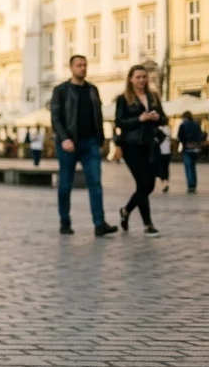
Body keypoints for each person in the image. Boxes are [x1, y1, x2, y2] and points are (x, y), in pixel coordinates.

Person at [50, 55, 119, 237]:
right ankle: (65, 221)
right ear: (71, 67)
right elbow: (56, 117)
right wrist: (64, 138)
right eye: (79, 65)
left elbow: (98, 115)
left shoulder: (92, 90)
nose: (83, 68)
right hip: (68, 144)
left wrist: (101, 139)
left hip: (89, 143)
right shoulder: (61, 90)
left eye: (85, 65)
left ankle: (99, 224)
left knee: (95, 183)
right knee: (65, 184)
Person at [113, 64, 163, 236]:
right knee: (142, 183)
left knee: (149, 185)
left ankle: (126, 210)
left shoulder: (153, 96)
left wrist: (157, 118)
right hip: (131, 145)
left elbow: (163, 118)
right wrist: (139, 118)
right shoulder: (123, 99)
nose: (142, 80)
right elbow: (119, 122)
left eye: (144, 77)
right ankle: (148, 224)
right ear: (131, 79)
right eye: (138, 77)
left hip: (149, 145)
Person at [176, 111, 202, 194]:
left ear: (184, 117)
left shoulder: (182, 125)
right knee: (193, 167)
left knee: (188, 167)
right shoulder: (196, 125)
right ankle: (194, 185)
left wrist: (184, 142)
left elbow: (179, 136)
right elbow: (200, 136)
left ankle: (190, 185)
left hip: (186, 148)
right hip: (195, 148)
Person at [156, 123, 172, 194]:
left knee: (161, 169)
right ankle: (166, 183)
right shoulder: (168, 128)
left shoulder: (159, 128)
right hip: (168, 152)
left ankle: (163, 185)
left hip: (160, 152)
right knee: (166, 168)